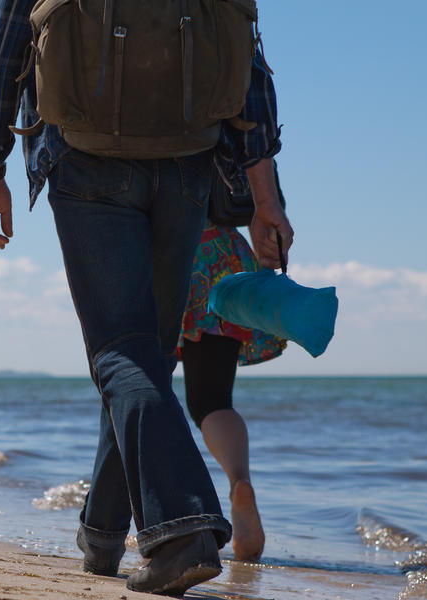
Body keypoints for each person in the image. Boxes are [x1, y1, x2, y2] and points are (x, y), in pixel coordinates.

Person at [0, 1, 293, 595]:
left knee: (122, 353)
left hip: (84, 159)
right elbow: (249, 64)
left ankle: (182, 532)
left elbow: (4, 47)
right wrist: (266, 196)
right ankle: (103, 535)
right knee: (143, 359)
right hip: (190, 163)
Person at [177, 164, 289, 563]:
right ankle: (239, 479)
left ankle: (141, 514)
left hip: (178, 251)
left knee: (137, 384)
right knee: (214, 398)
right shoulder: (231, 104)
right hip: (227, 252)